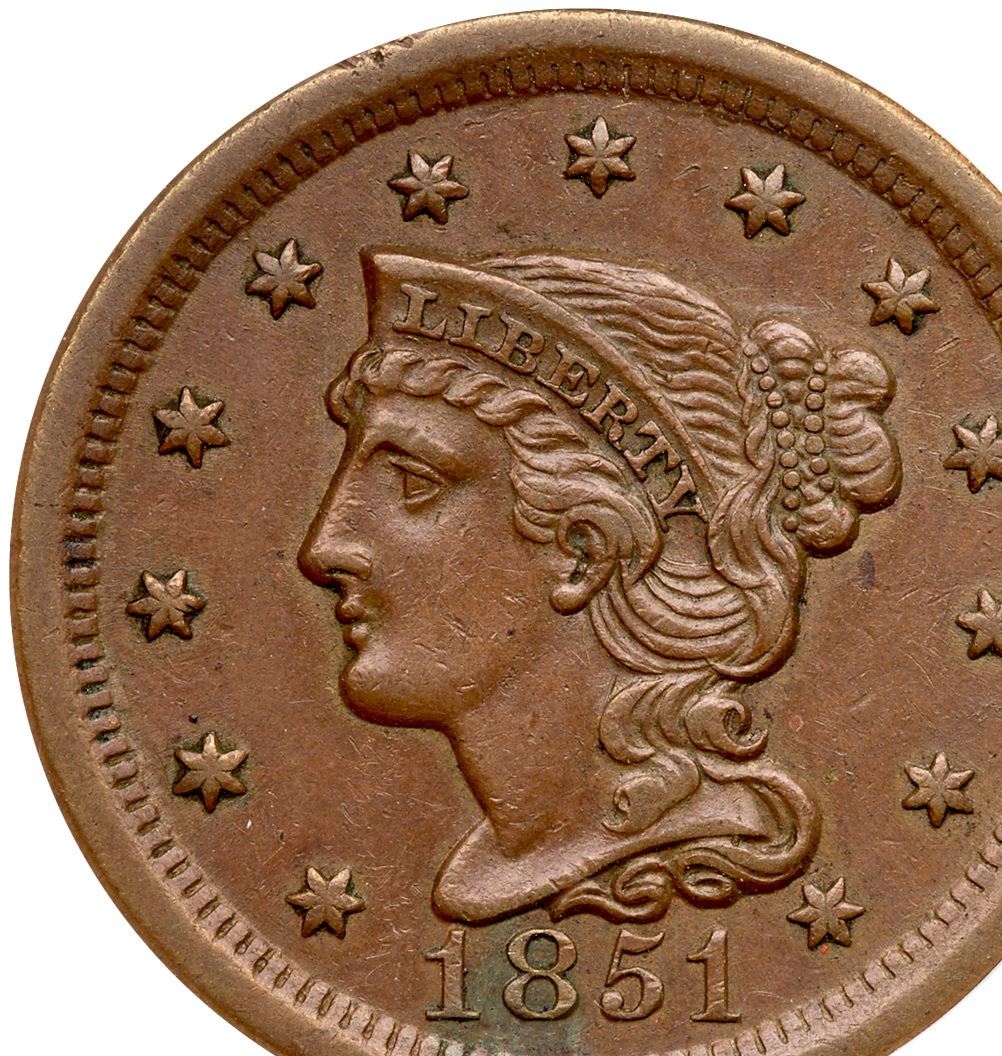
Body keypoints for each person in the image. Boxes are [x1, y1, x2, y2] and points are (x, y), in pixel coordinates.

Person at [298, 249, 901, 923]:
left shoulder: (705, 845)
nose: (323, 548)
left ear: (583, 552)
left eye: (415, 483)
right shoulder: (505, 853)